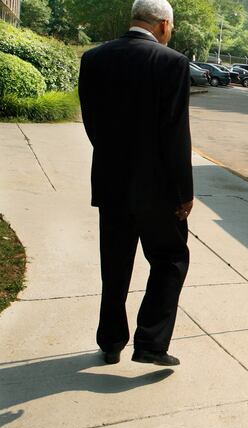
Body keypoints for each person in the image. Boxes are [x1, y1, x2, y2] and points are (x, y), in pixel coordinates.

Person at [79, 0, 193, 366]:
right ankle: (150, 344)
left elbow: (92, 123)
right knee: (170, 258)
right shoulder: (170, 62)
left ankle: (110, 342)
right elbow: (175, 134)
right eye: (170, 28)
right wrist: (183, 193)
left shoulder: (93, 59)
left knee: (114, 265)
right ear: (162, 25)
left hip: (111, 181)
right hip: (158, 190)